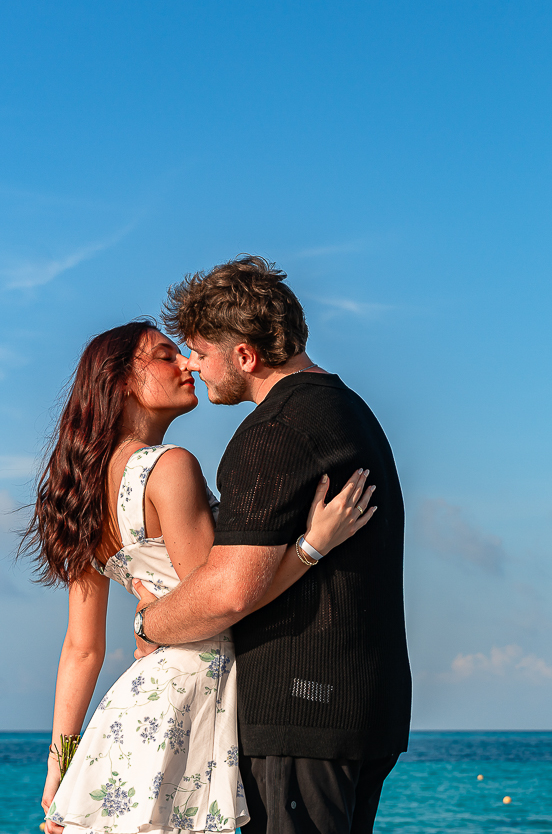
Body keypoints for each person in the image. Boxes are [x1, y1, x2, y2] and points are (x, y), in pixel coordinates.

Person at [22, 319, 375, 834]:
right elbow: (222, 604)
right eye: (166, 356)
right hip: (190, 698)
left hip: (129, 710)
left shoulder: (81, 493)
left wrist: (61, 762)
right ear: (122, 381)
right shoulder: (169, 467)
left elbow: (81, 649)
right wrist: (310, 547)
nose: (186, 363)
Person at [132, 257, 411, 834]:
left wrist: (149, 624)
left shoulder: (275, 430)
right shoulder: (346, 408)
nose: (191, 364)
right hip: (363, 708)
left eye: (200, 352)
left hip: (300, 709)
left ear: (245, 356)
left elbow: (230, 591)